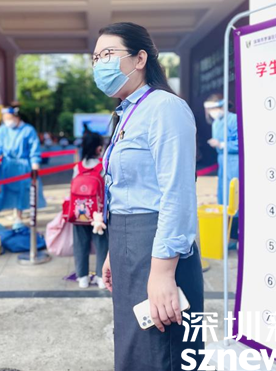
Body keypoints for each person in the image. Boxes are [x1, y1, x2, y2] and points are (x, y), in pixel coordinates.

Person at [94, 22, 204, 371]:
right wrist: (113, 251)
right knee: (134, 351)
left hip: (158, 249)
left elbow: (177, 194)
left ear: (140, 58)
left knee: (162, 352)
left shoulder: (165, 108)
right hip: (129, 245)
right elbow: (126, 190)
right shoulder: (126, 113)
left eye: (108, 54)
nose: (100, 64)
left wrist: (162, 273)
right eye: (95, 58)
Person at [0, 104, 45, 231]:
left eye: (8, 118)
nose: (7, 121)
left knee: (21, 192)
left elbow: (34, 148)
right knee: (1, 191)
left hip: (23, 167)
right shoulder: (3, 130)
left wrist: (35, 164)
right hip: (6, 166)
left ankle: (18, 218)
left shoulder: (28, 130)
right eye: (5, 118)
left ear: (16, 117)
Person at [72, 131, 108, 289]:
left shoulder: (77, 167)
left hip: (79, 213)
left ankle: (83, 278)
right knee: (101, 245)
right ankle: (101, 278)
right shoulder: (102, 167)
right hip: (98, 214)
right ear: (99, 148)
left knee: (80, 244)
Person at [204, 93, 239, 242]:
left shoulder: (234, 119)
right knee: (223, 195)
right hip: (222, 161)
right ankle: (228, 234)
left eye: (214, 109)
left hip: (234, 161)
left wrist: (222, 144)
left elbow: (242, 142)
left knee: (234, 195)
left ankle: (236, 235)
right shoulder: (216, 123)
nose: (212, 113)